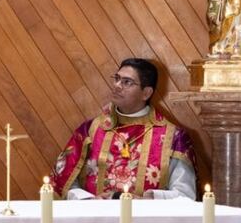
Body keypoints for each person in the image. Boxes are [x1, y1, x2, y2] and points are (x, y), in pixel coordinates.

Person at [51, 59, 197, 200]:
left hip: (147, 222)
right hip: (97, 219)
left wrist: (148, 199)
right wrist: (89, 200)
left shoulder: (174, 137)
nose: (117, 85)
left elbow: (185, 195)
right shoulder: (90, 130)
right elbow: (64, 182)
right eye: (117, 78)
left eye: (127, 82)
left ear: (146, 93)